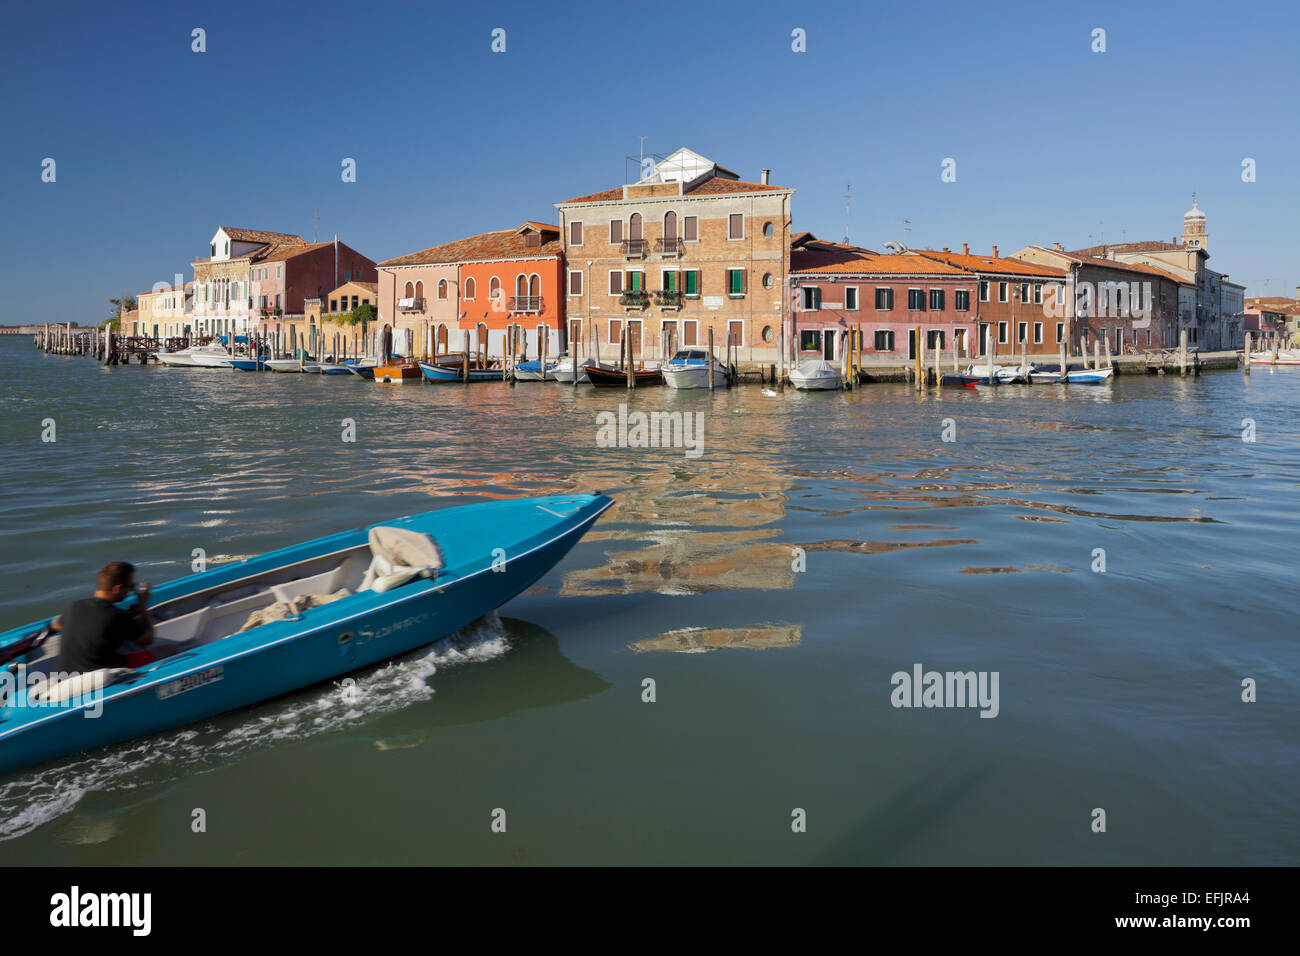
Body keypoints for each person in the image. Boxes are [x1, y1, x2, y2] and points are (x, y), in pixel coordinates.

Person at [52, 562, 160, 672]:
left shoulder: (73, 606)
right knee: (168, 650)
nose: (131, 591)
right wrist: (143, 607)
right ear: (117, 588)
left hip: (66, 676)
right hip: (103, 675)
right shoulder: (117, 616)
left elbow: (56, 624)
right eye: (131, 587)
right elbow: (148, 639)